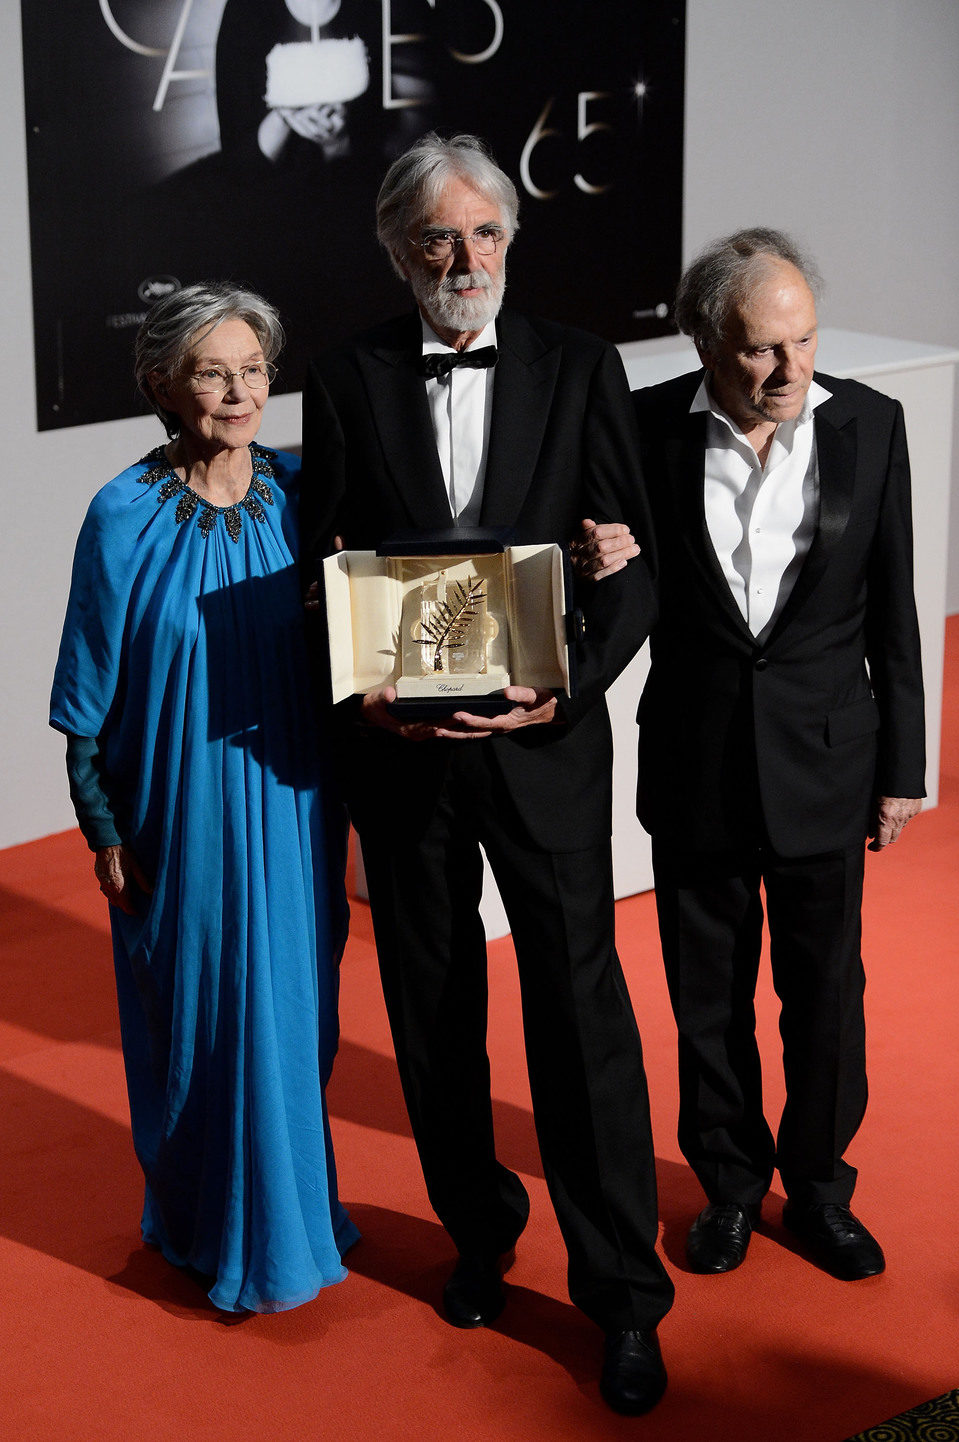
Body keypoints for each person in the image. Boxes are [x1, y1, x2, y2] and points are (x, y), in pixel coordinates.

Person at [300, 133, 674, 1415]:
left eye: (487, 234)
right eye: (439, 238)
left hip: (546, 750)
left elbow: (634, 572)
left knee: (581, 1021)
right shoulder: (346, 375)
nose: (466, 260)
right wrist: (368, 686)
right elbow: (326, 567)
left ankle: (623, 1291)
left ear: (514, 240)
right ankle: (481, 1231)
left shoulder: (581, 365)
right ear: (401, 251)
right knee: (432, 1008)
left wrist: (562, 684)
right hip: (405, 760)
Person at [584, 228, 925, 1281]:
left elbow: (895, 609)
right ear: (702, 343)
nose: (788, 371)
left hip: (828, 756)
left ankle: (820, 1188)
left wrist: (906, 764)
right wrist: (595, 563)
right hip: (697, 760)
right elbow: (618, 586)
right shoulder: (641, 429)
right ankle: (730, 1185)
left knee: (824, 993)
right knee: (708, 998)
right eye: (759, 350)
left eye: (803, 342)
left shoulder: (870, 423)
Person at [50, 282, 358, 1314]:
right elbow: (85, 705)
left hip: (298, 807)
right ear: (162, 386)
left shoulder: (312, 490)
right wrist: (101, 829)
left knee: (296, 1017)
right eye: (213, 370)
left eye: (255, 368)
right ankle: (200, 1225)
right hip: (177, 822)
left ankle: (292, 1221)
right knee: (192, 1023)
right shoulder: (121, 516)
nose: (240, 390)